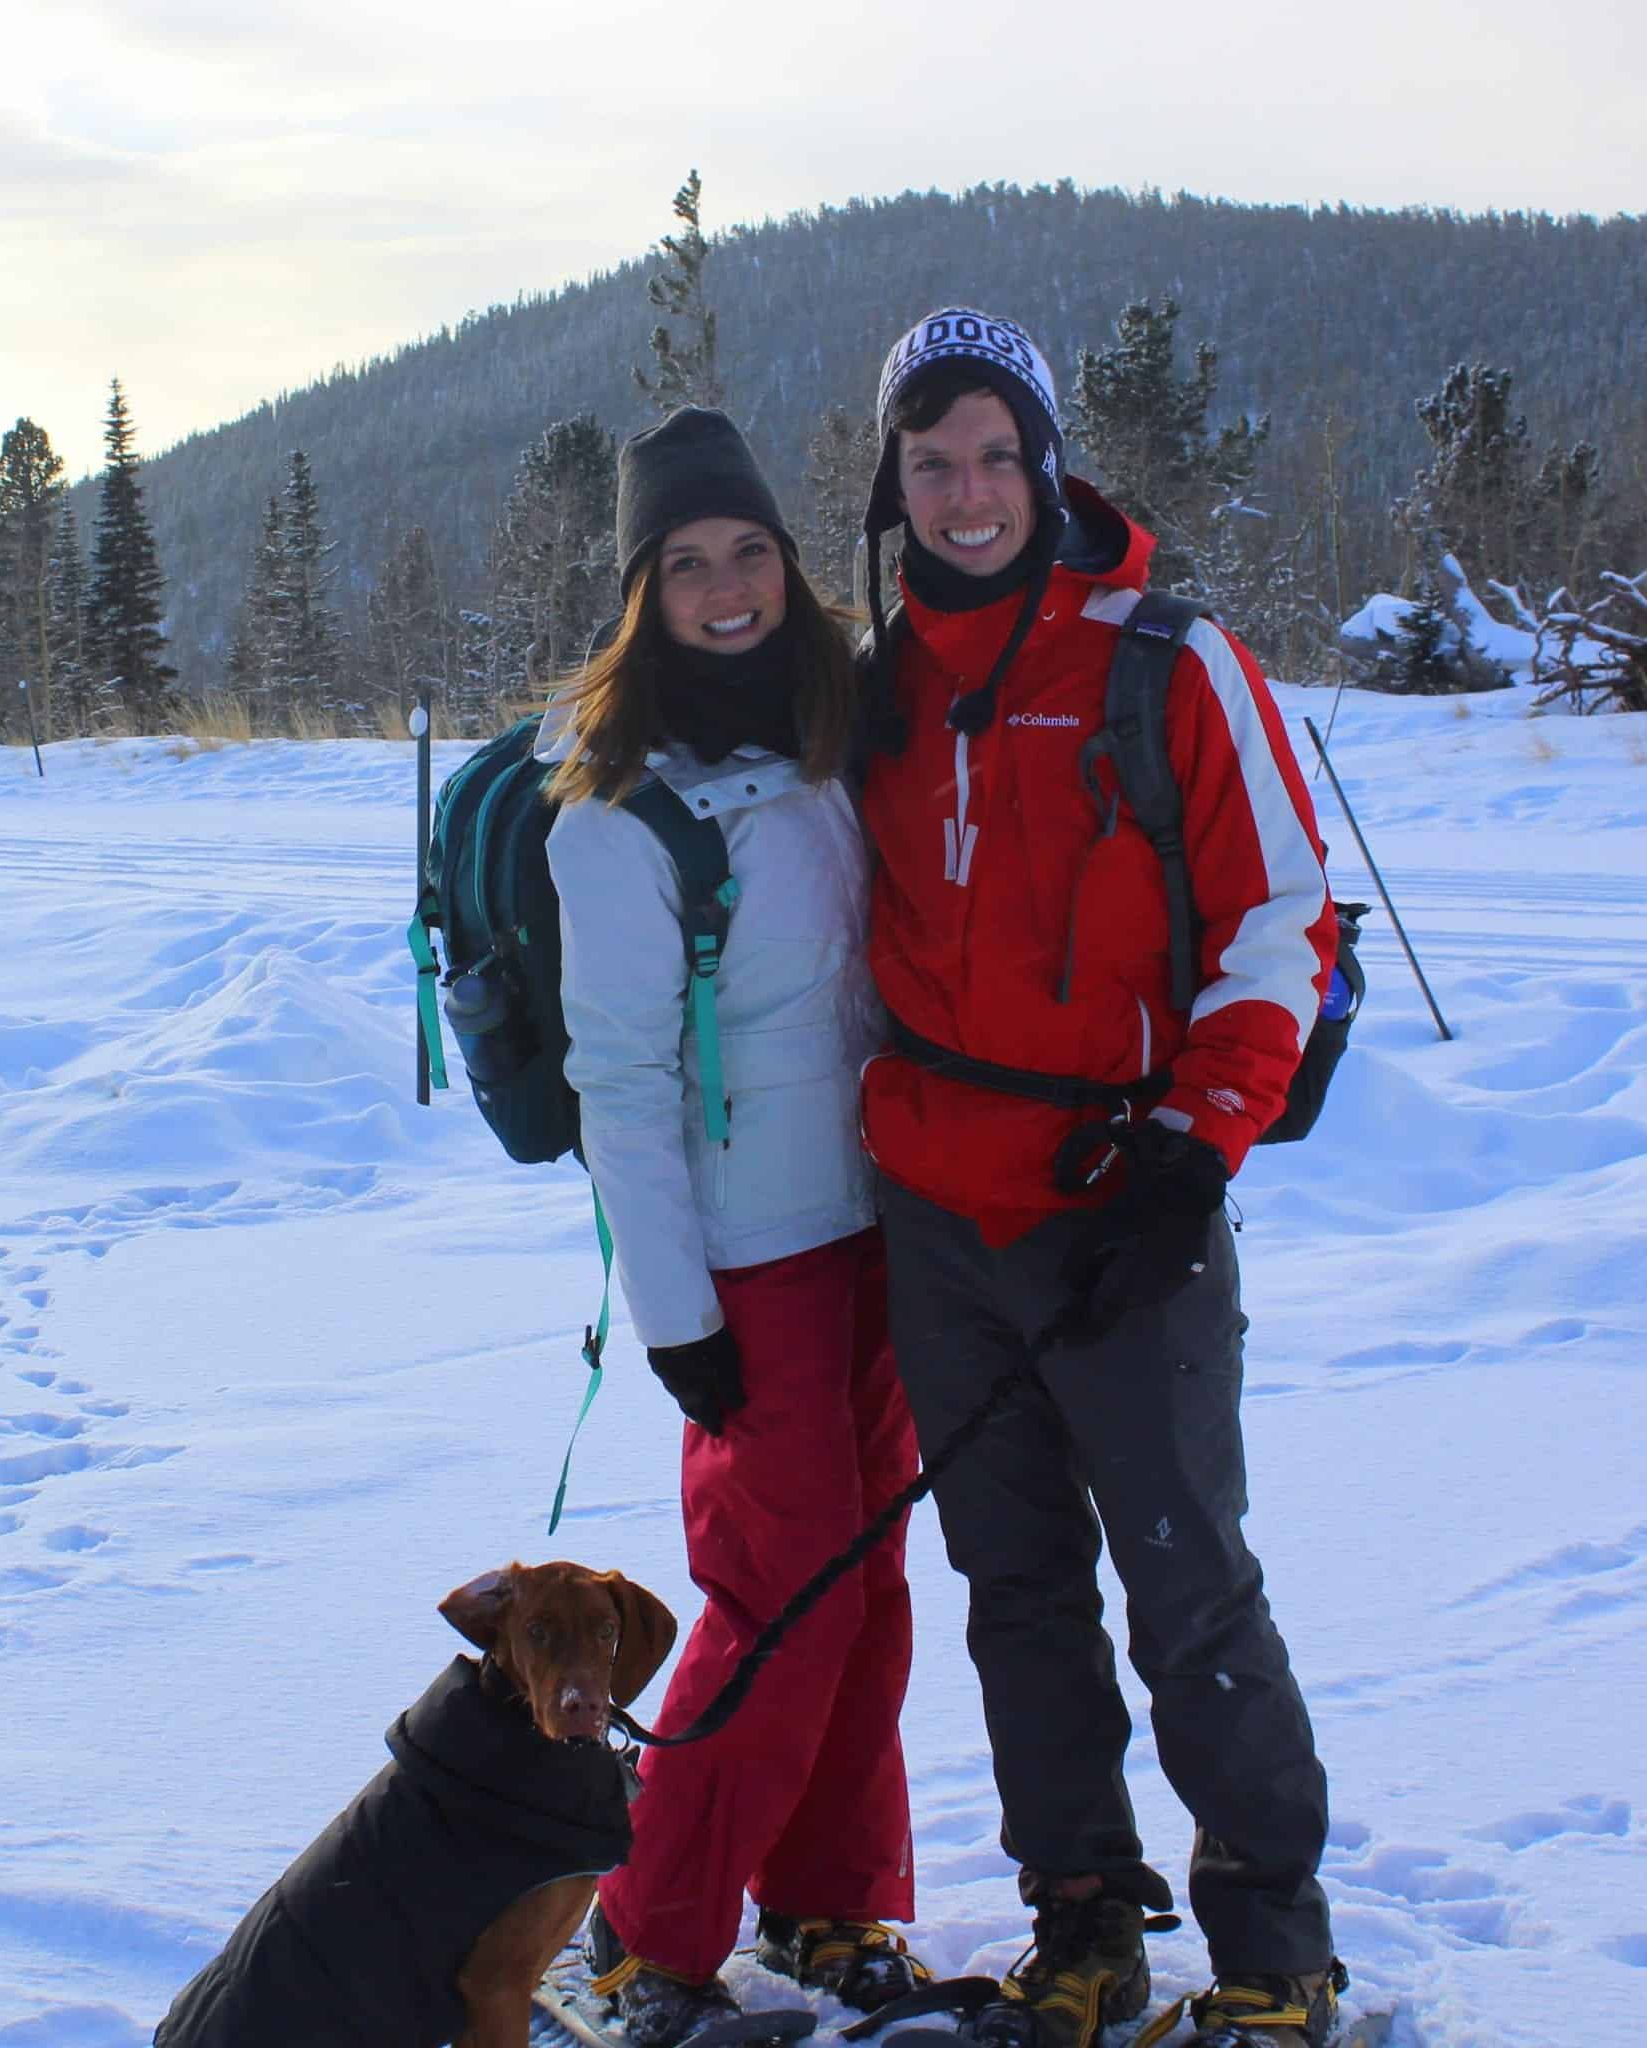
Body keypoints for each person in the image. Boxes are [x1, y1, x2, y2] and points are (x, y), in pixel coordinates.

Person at [853, 310, 1343, 2048]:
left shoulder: (1161, 658)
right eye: (933, 461)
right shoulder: (879, 681)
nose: (969, 492)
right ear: (893, 483)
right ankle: (1082, 1924)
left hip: (1120, 1196)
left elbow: (1286, 916)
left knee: (1186, 1578)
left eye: (996, 453)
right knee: (1017, 1590)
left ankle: (1277, 1951)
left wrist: (1190, 1152)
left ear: (1047, 460)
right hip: (941, 1217)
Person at [540, 406, 930, 2048]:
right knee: (786, 1597)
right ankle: (645, 1927)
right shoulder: (617, 817)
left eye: (748, 551)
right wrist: (678, 1313)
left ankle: (835, 1902)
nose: (724, 587)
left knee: (873, 1580)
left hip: (883, 1235)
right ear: (645, 594)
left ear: (788, 562)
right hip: (749, 1265)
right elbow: (618, 1082)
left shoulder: (839, 745)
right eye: (685, 562)